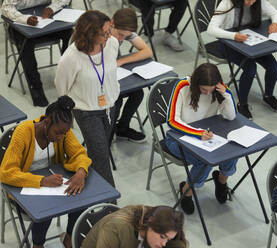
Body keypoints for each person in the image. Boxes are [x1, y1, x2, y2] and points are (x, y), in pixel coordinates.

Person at [0, 96, 92, 248]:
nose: (61, 137)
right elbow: (6, 172)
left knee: (78, 195)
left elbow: (79, 153)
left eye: (64, 133)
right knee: (46, 208)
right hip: (22, 186)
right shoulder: (23, 132)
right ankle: (38, 244)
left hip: (51, 182)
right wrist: (42, 181)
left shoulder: (63, 130)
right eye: (58, 133)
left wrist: (81, 173)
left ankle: (69, 238)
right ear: (46, 122)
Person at [55, 10, 119, 187]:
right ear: (90, 34)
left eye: (109, 30)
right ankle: (111, 205)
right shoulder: (71, 58)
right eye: (104, 33)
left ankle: (88, 183)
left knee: (98, 152)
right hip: (86, 111)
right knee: (101, 156)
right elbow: (62, 88)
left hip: (110, 106)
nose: (109, 36)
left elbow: (110, 71)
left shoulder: (112, 44)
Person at [166, 63, 238, 214]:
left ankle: (221, 180)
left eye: (210, 90)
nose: (207, 93)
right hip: (178, 137)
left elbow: (231, 116)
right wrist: (196, 133)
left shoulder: (220, 88)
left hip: (208, 135)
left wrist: (227, 95)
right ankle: (187, 191)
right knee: (204, 159)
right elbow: (172, 120)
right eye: (204, 89)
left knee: (234, 149)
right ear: (196, 83)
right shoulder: (182, 86)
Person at [207, 0, 277, 120]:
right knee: (250, 68)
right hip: (229, 44)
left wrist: (275, 24)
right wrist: (233, 36)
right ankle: (242, 104)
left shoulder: (258, 2)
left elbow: (275, 13)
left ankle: (268, 95)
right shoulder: (227, 3)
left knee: (273, 66)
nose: (251, 3)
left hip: (251, 42)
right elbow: (211, 29)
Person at [1, 0, 72, 107]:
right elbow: (6, 9)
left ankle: (69, 75)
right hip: (20, 22)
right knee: (26, 44)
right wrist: (25, 19)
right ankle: (36, 88)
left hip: (46, 19)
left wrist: (52, 8)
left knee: (71, 34)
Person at [111, 8, 153, 142]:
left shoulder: (124, 30)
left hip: (114, 72)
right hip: (97, 79)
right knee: (115, 99)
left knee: (138, 93)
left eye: (126, 36)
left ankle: (122, 129)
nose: (122, 39)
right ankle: (108, 132)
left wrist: (121, 61)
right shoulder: (100, 34)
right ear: (111, 23)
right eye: (120, 34)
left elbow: (147, 52)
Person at [81, 205, 187, 248]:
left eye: (169, 239)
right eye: (162, 237)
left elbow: (178, 244)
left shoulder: (156, 218)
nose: (164, 244)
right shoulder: (116, 228)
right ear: (150, 222)